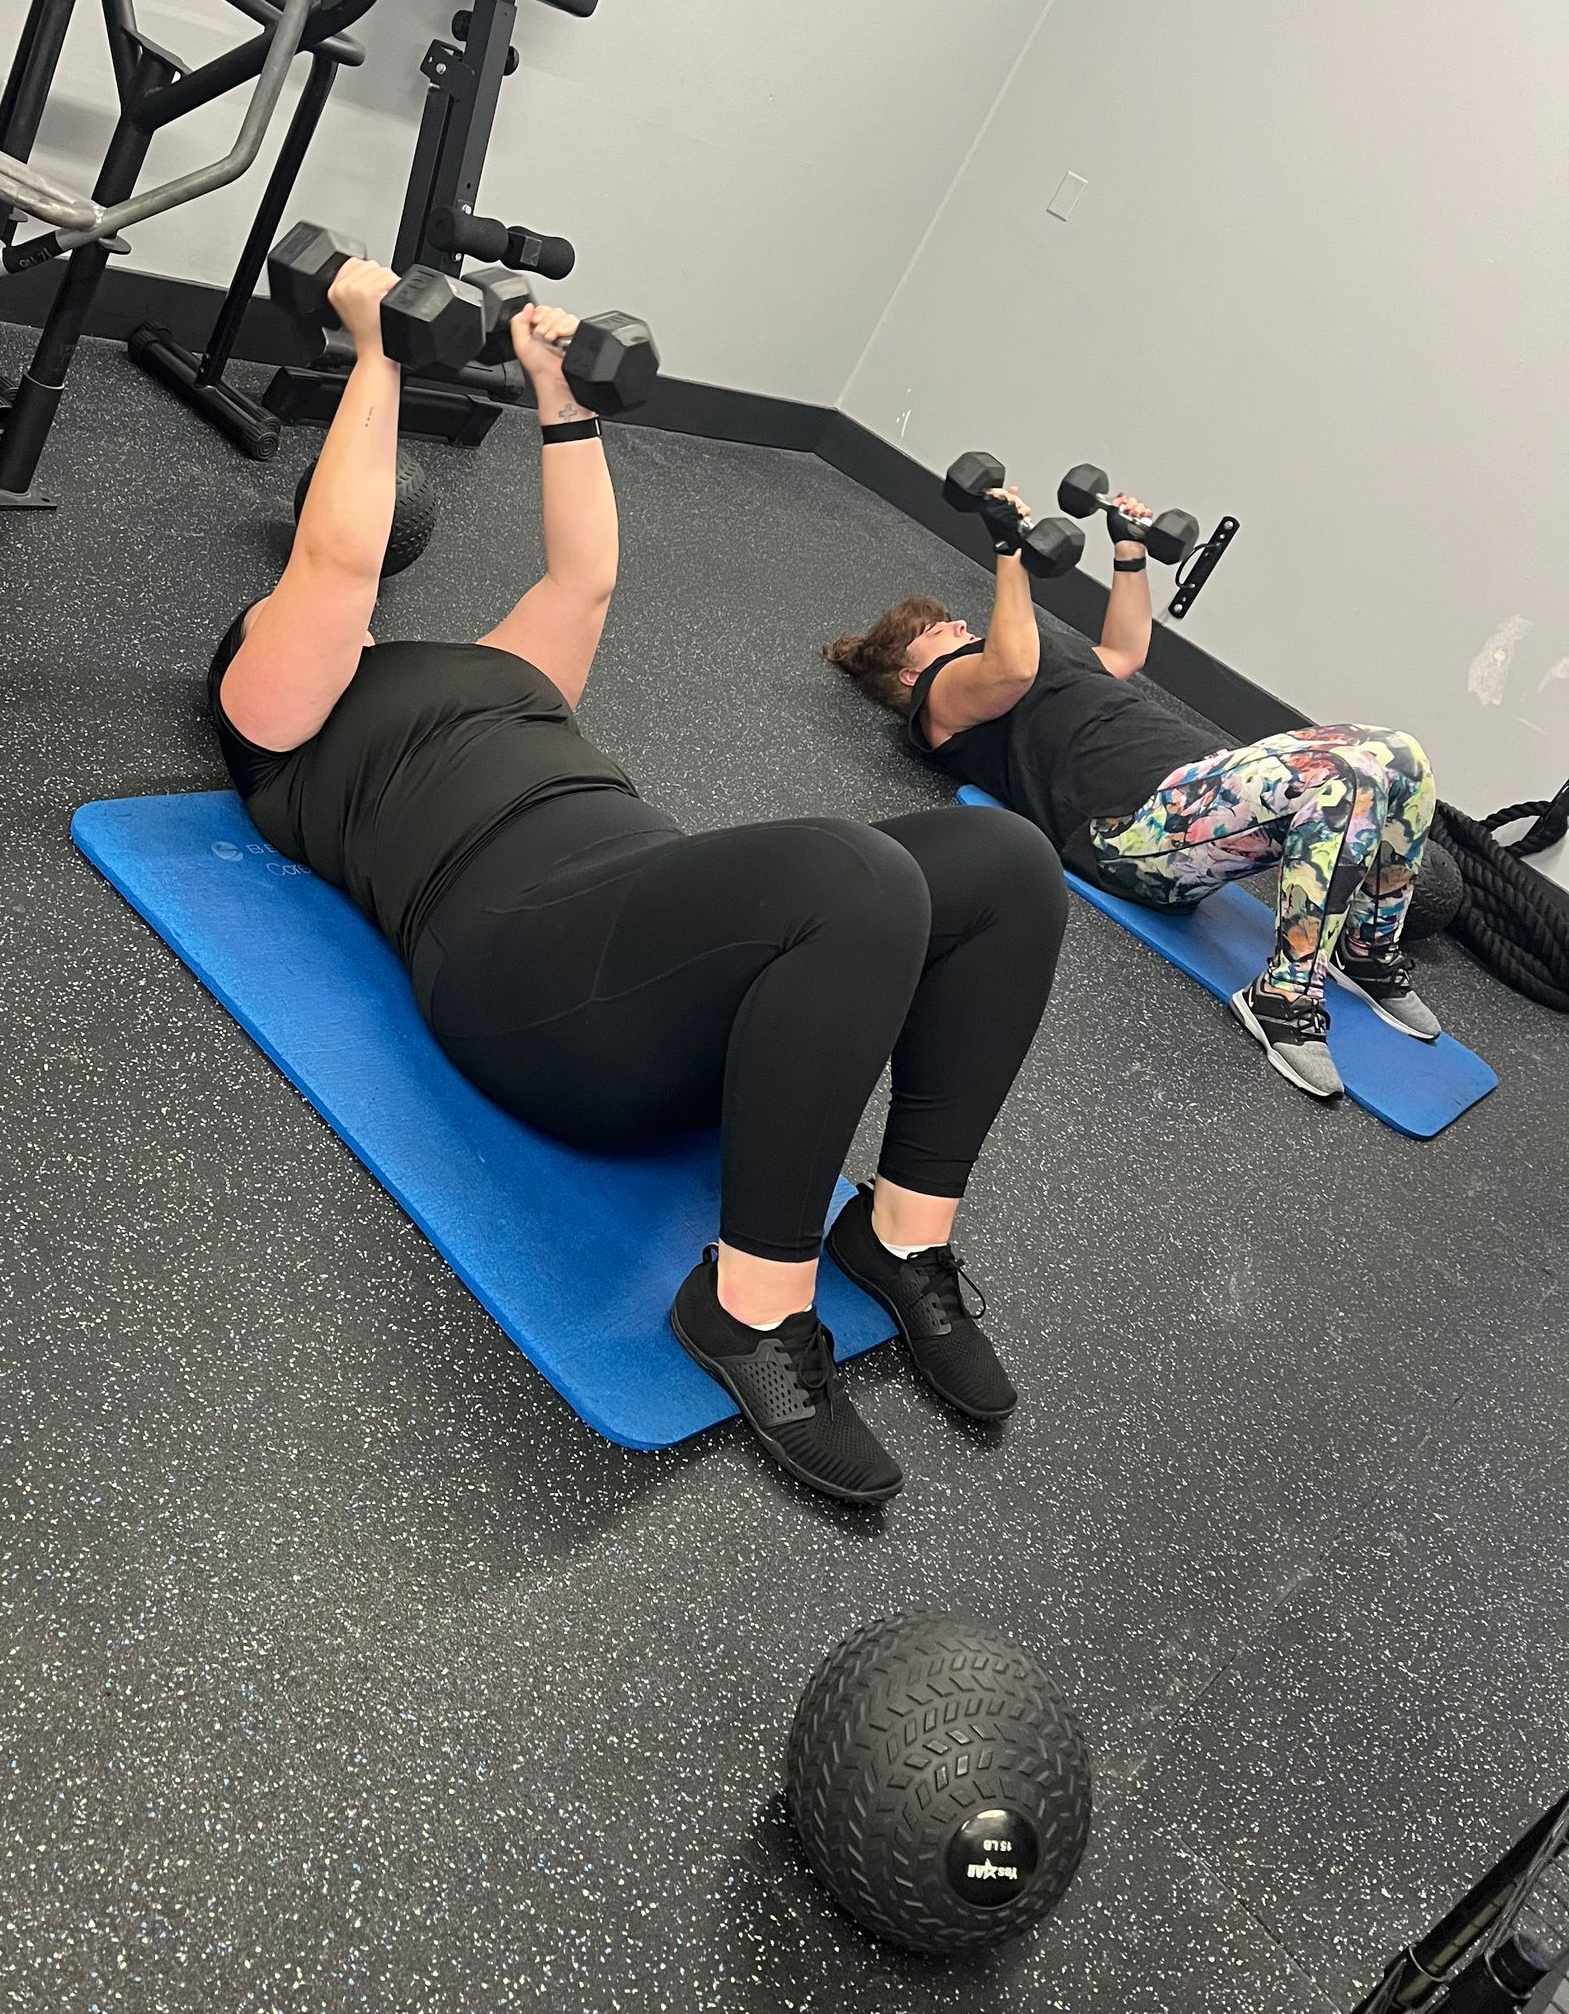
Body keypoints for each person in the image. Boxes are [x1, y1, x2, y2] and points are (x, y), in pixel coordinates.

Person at [209, 259, 1067, 1506]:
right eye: (286, 609)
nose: (316, 611)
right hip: (522, 977)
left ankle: (898, 1235)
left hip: (660, 957)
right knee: (855, 875)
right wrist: (376, 347)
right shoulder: (280, 721)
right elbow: (339, 561)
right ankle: (751, 1305)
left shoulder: (497, 668)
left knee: (1009, 863)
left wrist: (562, 396)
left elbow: (583, 579)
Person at [826, 477, 1440, 1104]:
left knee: (1400, 757)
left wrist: (1129, 551)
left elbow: (1124, 648)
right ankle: (1282, 996)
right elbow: (1012, 669)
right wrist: (1008, 551)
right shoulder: (941, 697)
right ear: (909, 668)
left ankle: (1363, 948)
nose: (955, 621)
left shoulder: (1045, 655)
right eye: (935, 628)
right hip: (1130, 831)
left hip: (1203, 789)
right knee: (1335, 781)